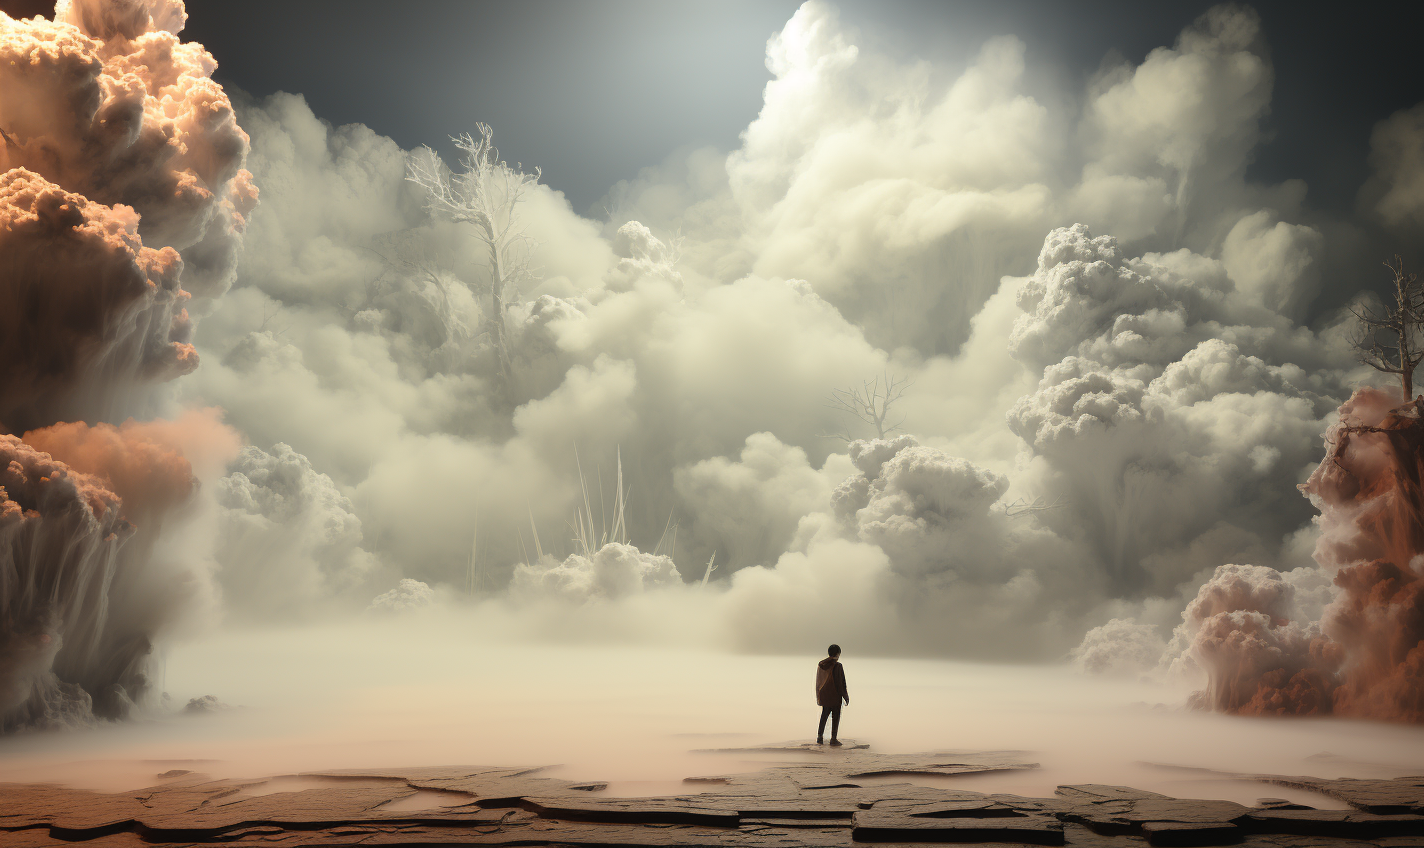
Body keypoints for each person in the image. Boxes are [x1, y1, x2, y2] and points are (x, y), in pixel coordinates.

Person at [815, 644, 849, 745]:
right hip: (835, 695)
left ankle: (819, 737)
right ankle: (833, 739)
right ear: (838, 654)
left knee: (824, 715)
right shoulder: (838, 666)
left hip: (825, 694)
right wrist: (845, 696)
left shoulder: (822, 664)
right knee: (836, 716)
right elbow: (841, 682)